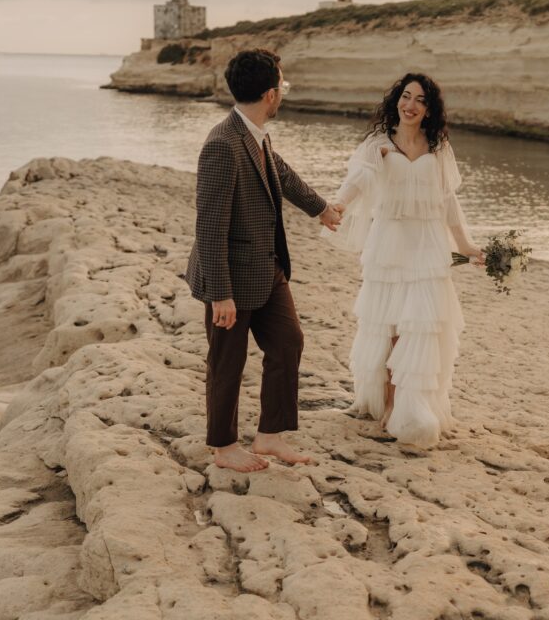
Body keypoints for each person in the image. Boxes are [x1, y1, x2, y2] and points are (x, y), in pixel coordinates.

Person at [186, 48, 342, 472]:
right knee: (227, 363)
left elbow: (281, 172)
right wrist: (221, 295)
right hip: (231, 280)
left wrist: (321, 208)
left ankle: (269, 436)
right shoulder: (222, 145)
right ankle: (223, 448)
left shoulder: (253, 133)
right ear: (272, 94)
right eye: (284, 86)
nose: (284, 93)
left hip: (268, 267)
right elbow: (209, 226)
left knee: (289, 343)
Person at [324, 73, 483, 447]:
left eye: (420, 100)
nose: (410, 105)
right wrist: (339, 207)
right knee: (392, 324)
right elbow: (357, 181)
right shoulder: (378, 144)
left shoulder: (438, 146)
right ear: (396, 100)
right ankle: (390, 404)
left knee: (421, 324)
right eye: (406, 96)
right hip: (391, 240)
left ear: (429, 109)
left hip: (428, 242)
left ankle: (413, 402)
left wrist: (466, 245)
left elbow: (448, 200)